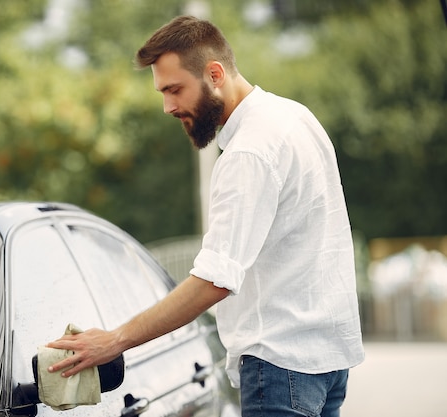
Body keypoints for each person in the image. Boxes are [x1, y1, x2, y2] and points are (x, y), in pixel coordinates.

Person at [47, 15, 364, 417]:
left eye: (175, 89)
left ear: (214, 73)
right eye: (162, 92)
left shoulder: (249, 151)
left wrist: (115, 339)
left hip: (282, 367)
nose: (168, 107)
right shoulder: (295, 117)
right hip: (327, 362)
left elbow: (213, 280)